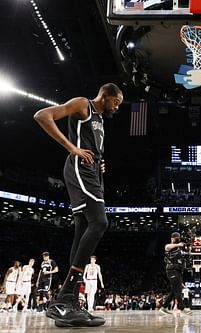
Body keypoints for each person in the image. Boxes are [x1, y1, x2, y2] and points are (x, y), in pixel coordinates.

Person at [34, 83, 123, 327]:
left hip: (92, 172)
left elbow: (94, 148)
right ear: (106, 95)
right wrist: (71, 147)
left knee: (82, 230)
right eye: (116, 101)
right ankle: (64, 298)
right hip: (79, 170)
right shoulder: (83, 104)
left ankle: (69, 306)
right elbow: (43, 116)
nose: (117, 106)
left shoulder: (101, 121)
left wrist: (100, 163)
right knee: (100, 223)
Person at [160, 232, 192, 315]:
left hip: (178, 271)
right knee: (178, 290)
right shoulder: (170, 246)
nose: (178, 239)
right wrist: (178, 245)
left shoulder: (179, 249)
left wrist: (188, 250)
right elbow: (167, 247)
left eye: (178, 238)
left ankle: (164, 307)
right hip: (172, 270)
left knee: (174, 290)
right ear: (172, 238)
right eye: (176, 238)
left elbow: (186, 257)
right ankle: (182, 307)